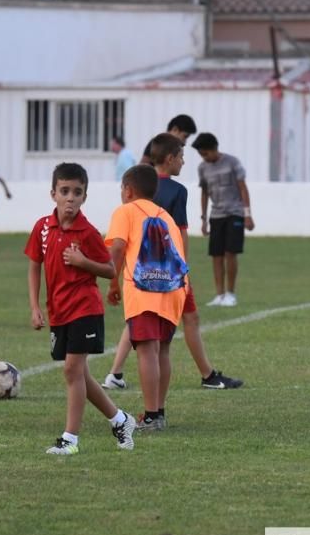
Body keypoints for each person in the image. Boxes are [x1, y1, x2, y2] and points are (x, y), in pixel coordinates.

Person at [102, 133, 243, 391]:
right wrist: (184, 272)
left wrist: (115, 281)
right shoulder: (176, 191)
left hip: (138, 275)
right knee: (181, 326)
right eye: (181, 157)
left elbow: (122, 240)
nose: (183, 162)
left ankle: (116, 373)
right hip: (171, 275)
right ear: (170, 158)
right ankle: (206, 376)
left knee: (139, 324)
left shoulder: (136, 189)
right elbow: (179, 233)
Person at [25, 163, 136, 455]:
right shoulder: (42, 228)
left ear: (85, 196)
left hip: (85, 308)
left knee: (72, 371)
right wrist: (35, 306)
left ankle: (70, 439)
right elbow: (34, 265)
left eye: (77, 192)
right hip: (59, 310)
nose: (70, 198)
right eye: (65, 191)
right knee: (79, 374)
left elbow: (110, 270)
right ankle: (120, 419)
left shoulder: (87, 232)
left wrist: (83, 262)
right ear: (53, 194)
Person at [105, 162, 188, 431]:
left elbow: (117, 249)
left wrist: (112, 283)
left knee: (146, 350)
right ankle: (159, 412)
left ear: (128, 190)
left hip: (143, 290)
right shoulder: (166, 216)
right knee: (162, 349)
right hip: (174, 290)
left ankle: (151, 417)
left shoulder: (125, 211)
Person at [192, 132, 253, 307]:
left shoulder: (232, 163)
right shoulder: (202, 168)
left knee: (230, 253)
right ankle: (219, 295)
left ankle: (231, 294)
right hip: (216, 215)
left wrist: (247, 214)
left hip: (234, 213)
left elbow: (243, 189)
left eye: (205, 153)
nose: (204, 157)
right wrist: (203, 219)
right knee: (216, 255)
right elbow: (204, 193)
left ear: (214, 148)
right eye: (201, 155)